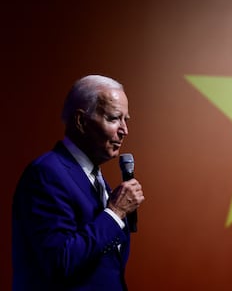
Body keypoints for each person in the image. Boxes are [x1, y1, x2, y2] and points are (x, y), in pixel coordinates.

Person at [12, 75, 145, 291]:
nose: (124, 131)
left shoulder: (95, 177)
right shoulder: (46, 174)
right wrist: (115, 213)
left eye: (126, 120)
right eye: (113, 119)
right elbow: (59, 261)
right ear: (81, 121)